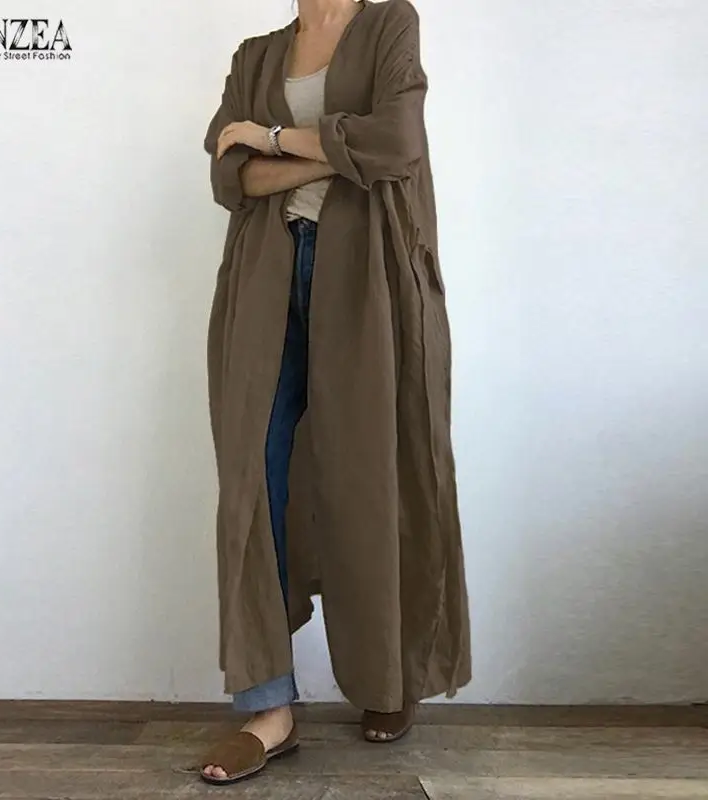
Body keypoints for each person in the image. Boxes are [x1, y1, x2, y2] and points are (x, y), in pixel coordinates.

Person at [200, 0, 471, 785]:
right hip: (264, 276)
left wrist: (271, 138)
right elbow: (230, 176)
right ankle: (268, 707)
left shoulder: (389, 26)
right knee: (252, 479)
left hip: (370, 276)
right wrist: (338, 153)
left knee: (373, 475)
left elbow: (397, 144)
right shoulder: (255, 55)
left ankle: (389, 677)